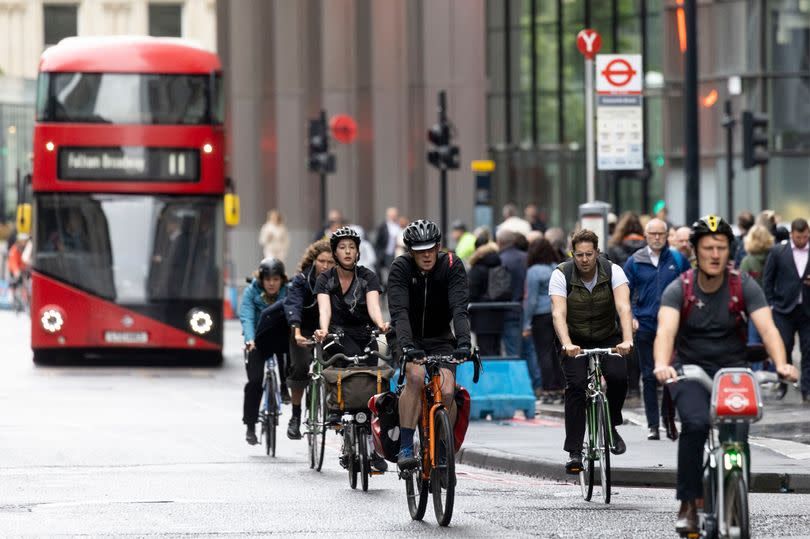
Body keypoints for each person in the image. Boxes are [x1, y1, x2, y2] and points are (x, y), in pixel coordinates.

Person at [652, 215, 797, 533]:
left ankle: (735, 492)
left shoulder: (742, 284)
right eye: (708, 248)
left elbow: (768, 328)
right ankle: (689, 502)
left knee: (738, 434)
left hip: (732, 374)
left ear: (729, 251)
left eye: (720, 247)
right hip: (691, 373)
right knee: (695, 424)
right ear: (696, 251)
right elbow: (665, 331)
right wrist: (663, 364)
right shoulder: (682, 288)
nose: (715, 254)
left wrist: (782, 363)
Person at [388, 219, 472, 471]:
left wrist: (465, 343)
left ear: (438, 246)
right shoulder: (400, 267)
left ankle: (443, 445)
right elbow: (399, 312)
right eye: (419, 251)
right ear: (410, 251)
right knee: (415, 377)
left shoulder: (452, 265)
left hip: (440, 337)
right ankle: (405, 445)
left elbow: (459, 308)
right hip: (407, 336)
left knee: (447, 391)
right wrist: (406, 347)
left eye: (430, 249)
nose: (426, 256)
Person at [549, 229, 634, 474]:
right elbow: (558, 313)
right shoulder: (561, 274)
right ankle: (575, 451)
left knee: (618, 377)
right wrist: (566, 343)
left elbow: (624, 307)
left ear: (597, 252)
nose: (585, 259)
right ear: (572, 254)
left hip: (607, 335)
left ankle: (611, 424)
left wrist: (627, 339)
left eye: (589, 254)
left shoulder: (613, 271)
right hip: (574, 339)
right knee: (576, 385)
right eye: (579, 255)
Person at [313, 226, 390, 472]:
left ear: (358, 252)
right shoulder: (325, 278)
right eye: (342, 248)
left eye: (352, 247)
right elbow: (324, 309)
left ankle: (372, 447)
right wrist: (323, 329)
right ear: (335, 252)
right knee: (343, 365)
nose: (347, 252)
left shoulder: (368, 276)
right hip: (335, 332)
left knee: (371, 374)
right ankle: (338, 413)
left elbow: (374, 307)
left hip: (364, 332)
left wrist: (381, 324)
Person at [623, 218, 689, 440]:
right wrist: (630, 317)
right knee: (649, 376)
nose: (657, 238)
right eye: (653, 234)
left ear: (667, 235)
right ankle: (653, 425)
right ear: (646, 235)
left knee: (670, 374)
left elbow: (690, 287)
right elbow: (623, 292)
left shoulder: (678, 259)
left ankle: (669, 421)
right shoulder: (635, 261)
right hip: (646, 324)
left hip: (672, 326)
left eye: (661, 234)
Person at [283, 239, 334, 439]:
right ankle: (295, 417)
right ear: (313, 261)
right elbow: (293, 304)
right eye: (322, 261)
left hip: (327, 329)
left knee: (335, 364)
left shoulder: (337, 280)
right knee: (300, 368)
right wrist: (296, 332)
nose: (326, 266)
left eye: (331, 262)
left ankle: (333, 407)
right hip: (303, 328)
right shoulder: (302, 280)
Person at [240, 257, 288, 445]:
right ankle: (251, 426)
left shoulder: (288, 292)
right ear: (261, 279)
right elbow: (247, 316)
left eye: (276, 279)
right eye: (267, 279)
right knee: (254, 382)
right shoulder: (251, 292)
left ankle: (285, 387)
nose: (271, 283)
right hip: (258, 341)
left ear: (282, 280)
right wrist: (250, 339)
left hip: (281, 338)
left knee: (289, 355)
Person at [763, 218, 810, 403]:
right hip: (784, 309)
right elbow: (768, 279)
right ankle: (784, 383)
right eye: (799, 237)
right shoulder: (778, 251)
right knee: (784, 346)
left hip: (807, 309)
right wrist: (771, 304)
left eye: (805, 236)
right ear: (792, 235)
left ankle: (806, 388)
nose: (802, 240)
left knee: (808, 349)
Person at [498, 228, 541, 393]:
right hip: (526, 310)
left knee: (513, 352)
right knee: (530, 350)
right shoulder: (526, 258)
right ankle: (536, 385)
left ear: (500, 242)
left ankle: (520, 388)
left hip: (509, 311)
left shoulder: (501, 259)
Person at [524, 237, 563, 403]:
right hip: (558, 313)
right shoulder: (557, 268)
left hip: (540, 315)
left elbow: (531, 299)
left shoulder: (533, 271)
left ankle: (548, 390)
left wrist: (526, 323)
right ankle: (562, 387)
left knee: (544, 353)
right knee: (559, 353)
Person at [467, 239, 504, 356]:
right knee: (496, 350)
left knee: (485, 351)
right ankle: (497, 374)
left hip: (481, 316)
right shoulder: (499, 266)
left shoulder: (477, 269)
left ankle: (487, 375)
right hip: (499, 314)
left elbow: (471, 293)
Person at [373, 207, 401, 278]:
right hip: (385, 252)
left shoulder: (398, 225)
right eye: (392, 215)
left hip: (396, 252)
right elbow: (378, 241)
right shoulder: (383, 226)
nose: (393, 217)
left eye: (395, 215)